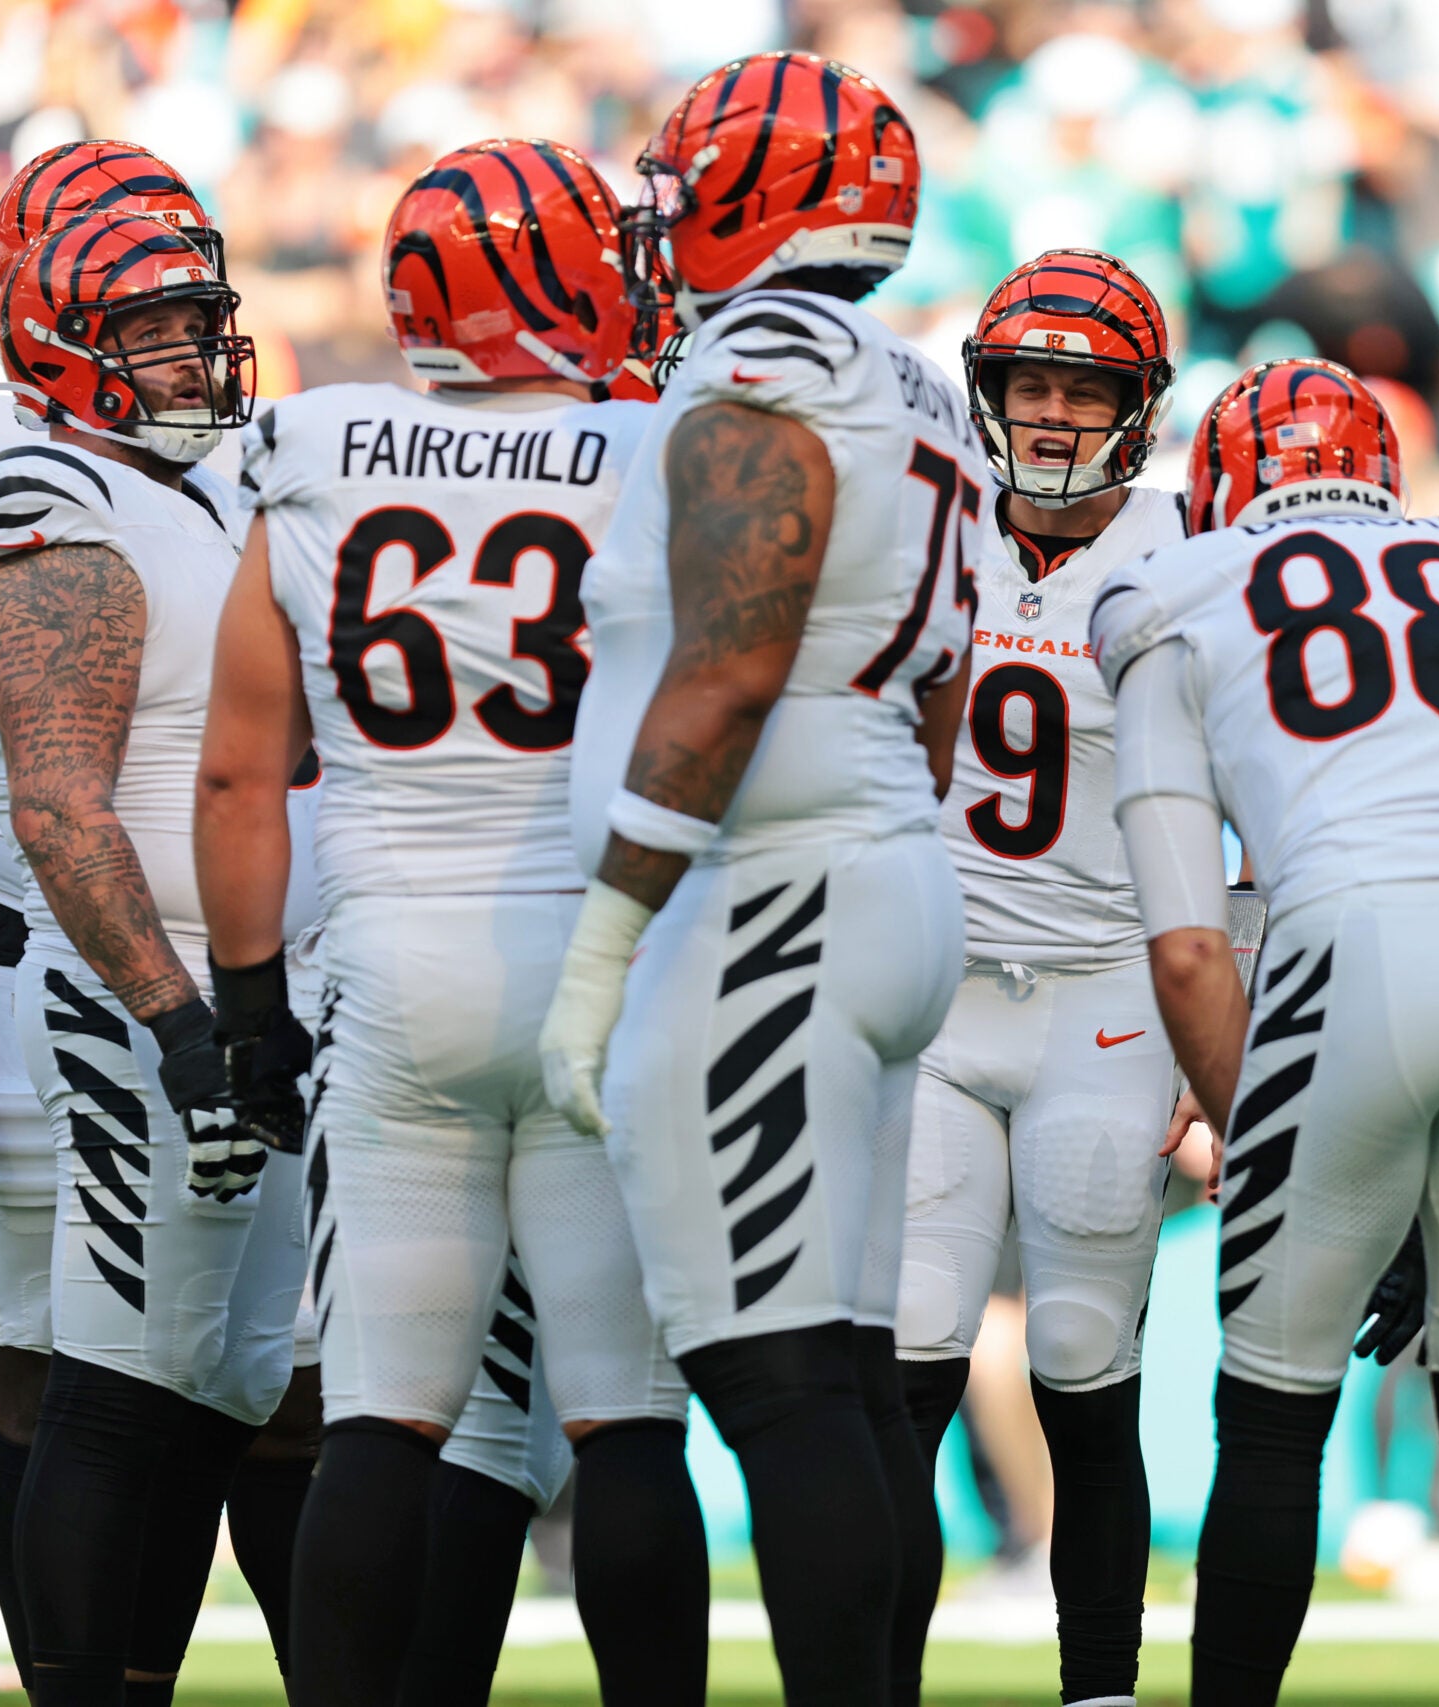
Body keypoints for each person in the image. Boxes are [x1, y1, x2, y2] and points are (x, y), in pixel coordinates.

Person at [191, 139, 705, 1706]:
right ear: (569, 278)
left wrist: (248, 1002)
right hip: (605, 962)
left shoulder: (317, 444)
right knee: (627, 1418)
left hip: (396, 965)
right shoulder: (657, 446)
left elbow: (240, 769)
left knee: (381, 1415)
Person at [538, 54, 984, 1707]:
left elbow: (729, 667)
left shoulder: (771, 353)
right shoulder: (913, 380)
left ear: (755, 195)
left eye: (678, 191)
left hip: (772, 895)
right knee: (845, 1380)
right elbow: (936, 690)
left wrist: (606, 938)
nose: (657, 227)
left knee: (778, 1382)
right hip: (871, 868)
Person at [1092, 356, 1439, 1707]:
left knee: (1270, 1419)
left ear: (1218, 489)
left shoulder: (1174, 596)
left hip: (1350, 951)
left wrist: (1273, 1148)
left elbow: (1190, 947)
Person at [0, 142, 232, 1688]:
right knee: (43, 1364)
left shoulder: (233, 449)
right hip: (26, 956)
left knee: (246, 1370)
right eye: (136, 297)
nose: (180, 337)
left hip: (239, 956)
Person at [0, 207, 304, 1705]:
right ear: (61, 347)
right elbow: (56, 800)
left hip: (249, 991)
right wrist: (175, 1016)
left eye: (199, 321)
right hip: (137, 998)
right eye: (153, 329)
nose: (196, 352)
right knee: (114, 1381)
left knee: (237, 1379)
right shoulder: (54, 499)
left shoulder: (205, 488)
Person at [893, 245, 1185, 1707]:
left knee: (1082, 1362)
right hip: (939, 1002)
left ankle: (1101, 1688)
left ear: (1138, 408)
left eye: (1085, 388)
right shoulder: (930, 528)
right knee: (909, 1361)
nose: (1055, 412)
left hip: (1107, 998)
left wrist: (1222, 1035)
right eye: (1031, 383)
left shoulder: (1194, 551)